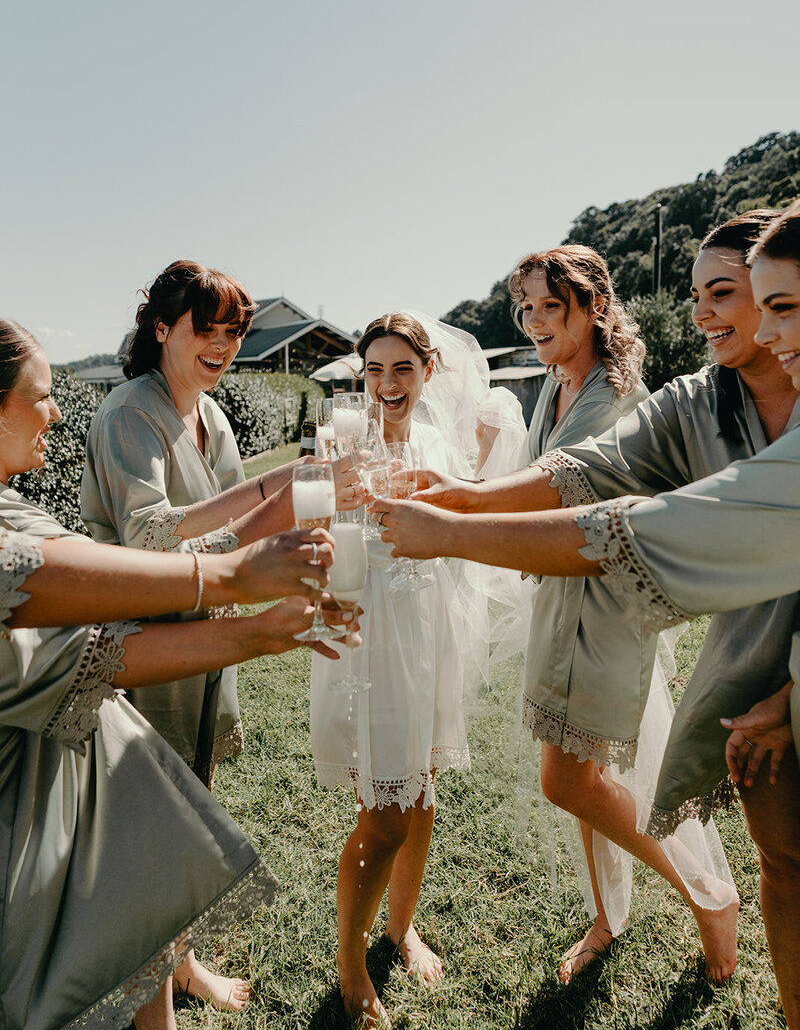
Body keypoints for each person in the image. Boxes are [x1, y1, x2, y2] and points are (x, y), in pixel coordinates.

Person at [371, 198, 800, 1026]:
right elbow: (586, 468)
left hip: (677, 627)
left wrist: (456, 530)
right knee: (784, 867)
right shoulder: (696, 400)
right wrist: (464, 494)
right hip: (748, 672)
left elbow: (634, 525)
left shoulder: (621, 387)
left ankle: (698, 899)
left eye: (735, 294)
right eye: (697, 294)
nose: (701, 312)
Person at [0, 320, 358, 1030]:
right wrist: (229, 577)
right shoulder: (128, 411)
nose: (59, 410)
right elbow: (42, 578)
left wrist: (258, 627)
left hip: (91, 783)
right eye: (41, 395)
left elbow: (87, 647)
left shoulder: (15, 500)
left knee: (143, 929)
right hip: (24, 824)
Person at [310, 312, 520, 1029]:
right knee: (384, 817)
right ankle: (348, 964)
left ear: (428, 372)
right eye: (374, 369)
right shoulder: (342, 443)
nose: (386, 384)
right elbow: (320, 543)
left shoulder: (435, 442)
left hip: (429, 634)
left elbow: (464, 532)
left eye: (401, 368)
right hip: (375, 641)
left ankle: (401, 930)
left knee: (422, 796)